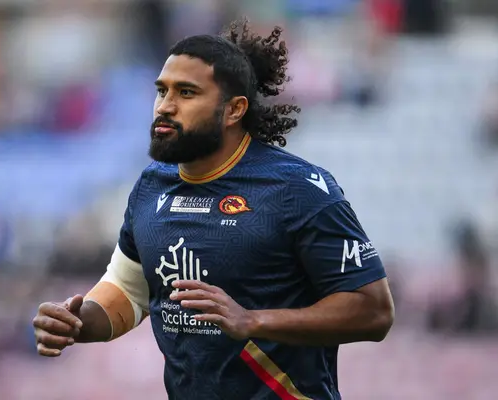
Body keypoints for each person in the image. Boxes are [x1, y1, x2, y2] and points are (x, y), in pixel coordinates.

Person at [32, 19, 394, 400]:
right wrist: (77, 322)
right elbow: (128, 288)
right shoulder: (151, 186)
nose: (165, 107)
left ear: (234, 110)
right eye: (162, 91)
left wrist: (253, 321)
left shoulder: (297, 189)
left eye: (186, 93)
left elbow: (373, 311)